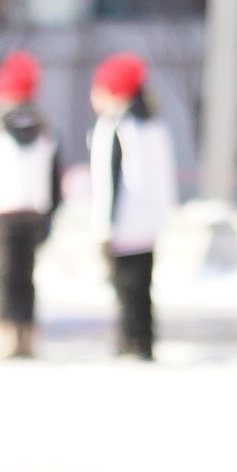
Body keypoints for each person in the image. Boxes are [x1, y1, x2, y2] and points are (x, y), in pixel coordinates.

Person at [81, 54, 177, 365]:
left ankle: (130, 342)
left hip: (122, 223)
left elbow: (109, 178)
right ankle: (143, 342)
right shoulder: (153, 125)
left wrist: (103, 224)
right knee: (143, 287)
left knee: (125, 288)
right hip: (148, 224)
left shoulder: (114, 127)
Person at [0, 53, 57, 359]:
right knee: (26, 278)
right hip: (33, 212)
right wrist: (50, 212)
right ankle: (27, 334)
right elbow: (54, 177)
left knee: (3, 279)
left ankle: (4, 336)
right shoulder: (44, 129)